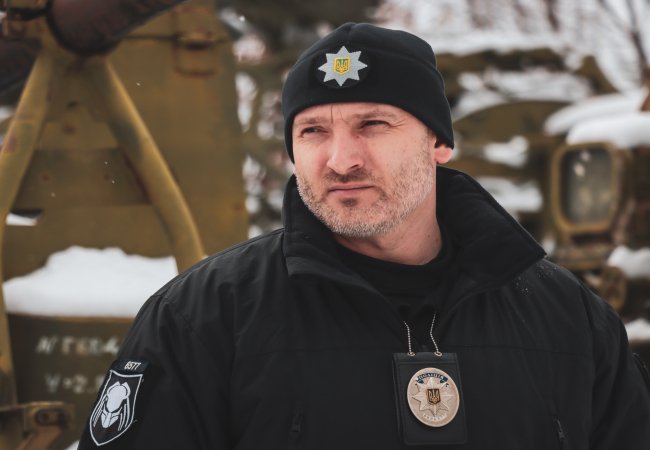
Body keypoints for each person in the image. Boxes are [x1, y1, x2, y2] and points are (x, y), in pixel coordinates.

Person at [78, 22, 650, 449]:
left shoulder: (568, 319)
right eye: (313, 131)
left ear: (438, 142)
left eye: (373, 124)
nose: (341, 159)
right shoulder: (202, 317)